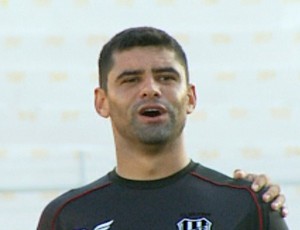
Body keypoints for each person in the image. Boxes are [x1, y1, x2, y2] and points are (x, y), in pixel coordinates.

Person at [37, 27, 288, 230]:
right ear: (102, 102)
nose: (151, 89)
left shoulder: (248, 205)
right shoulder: (66, 217)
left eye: (166, 77)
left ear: (190, 98)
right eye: (131, 80)